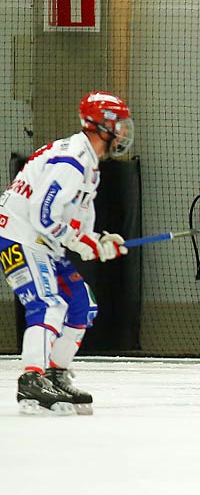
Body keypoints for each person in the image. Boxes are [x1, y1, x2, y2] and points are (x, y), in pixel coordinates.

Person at [3, 91, 134, 414]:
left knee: (80, 304)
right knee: (47, 303)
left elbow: (73, 220)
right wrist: (84, 243)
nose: (124, 131)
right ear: (101, 124)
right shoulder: (73, 161)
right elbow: (42, 215)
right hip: (20, 237)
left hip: (41, 241)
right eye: (119, 124)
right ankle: (31, 379)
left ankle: (55, 373)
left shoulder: (90, 165)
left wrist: (97, 241)